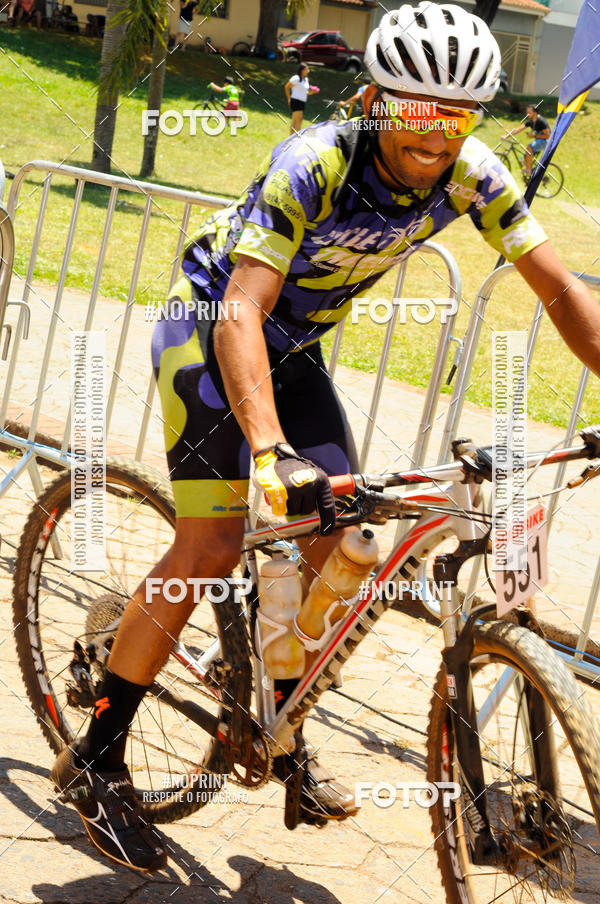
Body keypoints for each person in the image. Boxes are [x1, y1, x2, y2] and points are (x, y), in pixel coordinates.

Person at [51, 2, 600, 873]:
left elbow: (563, 291)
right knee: (213, 541)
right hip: (212, 326)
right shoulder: (318, 159)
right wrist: (268, 453)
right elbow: (240, 308)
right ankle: (97, 758)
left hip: (292, 350)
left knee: (341, 547)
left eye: (455, 115)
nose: (435, 134)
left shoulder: (473, 172)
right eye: (416, 111)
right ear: (378, 99)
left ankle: (279, 721)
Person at [504, 104, 551, 176]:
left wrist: (534, 136)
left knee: (529, 146)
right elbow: (518, 129)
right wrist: (506, 136)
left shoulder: (541, 121)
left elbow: (548, 136)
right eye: (527, 112)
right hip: (539, 141)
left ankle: (528, 170)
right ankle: (530, 174)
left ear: (535, 113)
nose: (527, 114)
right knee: (525, 156)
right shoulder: (531, 121)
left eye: (529, 113)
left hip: (546, 142)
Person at [284, 63, 319, 134]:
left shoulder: (306, 79)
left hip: (302, 102)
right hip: (295, 101)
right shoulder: (296, 78)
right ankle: (296, 138)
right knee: (299, 120)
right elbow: (287, 87)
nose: (308, 71)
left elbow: (305, 92)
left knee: (295, 121)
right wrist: (289, 99)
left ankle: (290, 138)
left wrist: (312, 92)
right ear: (302, 70)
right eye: (306, 69)